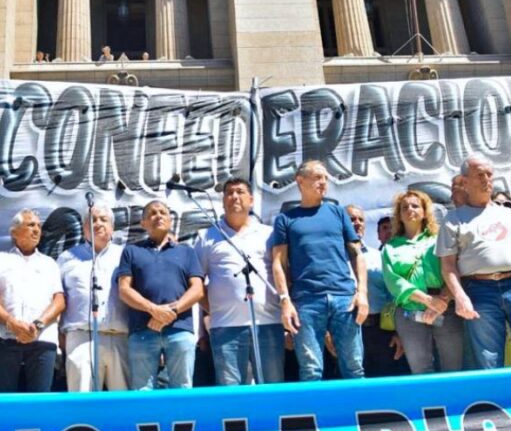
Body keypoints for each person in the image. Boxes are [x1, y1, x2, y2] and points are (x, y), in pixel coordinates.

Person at [436, 156, 511, 369]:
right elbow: (448, 265)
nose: (486, 179)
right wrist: (460, 296)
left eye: (489, 174)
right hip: (479, 290)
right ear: (464, 182)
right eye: (479, 175)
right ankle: (496, 394)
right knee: (488, 360)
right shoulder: (453, 219)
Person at [271, 160, 367, 381]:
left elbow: (357, 254)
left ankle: (359, 405)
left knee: (354, 367)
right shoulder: (285, 219)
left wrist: (362, 293)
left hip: (344, 298)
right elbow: (278, 263)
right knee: (311, 370)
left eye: (325, 178)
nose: (323, 182)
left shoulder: (338, 213)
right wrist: (285, 301)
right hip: (306, 301)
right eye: (317, 177)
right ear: (300, 181)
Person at [194, 178, 284, 385]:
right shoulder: (207, 236)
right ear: (223, 201)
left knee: (272, 388)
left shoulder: (268, 234)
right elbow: (196, 282)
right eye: (229, 193)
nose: (234, 196)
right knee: (230, 392)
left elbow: (281, 272)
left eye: (240, 192)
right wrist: (216, 308)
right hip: (225, 327)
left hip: (268, 323)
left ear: (251, 200)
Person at [118, 200, 204, 390]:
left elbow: (198, 290)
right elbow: (124, 290)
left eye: (163, 212)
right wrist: (154, 310)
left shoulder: (187, 252)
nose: (158, 216)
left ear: (171, 220)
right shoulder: (131, 251)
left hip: (180, 330)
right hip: (142, 330)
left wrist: (171, 311)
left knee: (182, 389)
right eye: (152, 213)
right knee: (142, 391)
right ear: (143, 223)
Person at [382, 190, 464, 374]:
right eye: (404, 207)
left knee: (453, 367)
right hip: (410, 312)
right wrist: (428, 301)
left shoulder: (440, 239)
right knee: (421, 369)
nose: (410, 210)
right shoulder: (390, 247)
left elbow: (454, 269)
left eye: (415, 206)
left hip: (445, 307)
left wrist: (442, 301)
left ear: (425, 211)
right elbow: (393, 281)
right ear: (399, 215)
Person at [0, 210, 65, 393]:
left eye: (39, 226)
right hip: (4, 338)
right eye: (31, 225)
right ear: (14, 232)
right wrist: (11, 323)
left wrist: (38, 324)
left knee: (40, 401)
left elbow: (59, 300)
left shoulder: (49, 264)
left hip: (42, 338)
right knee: (3, 399)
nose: (36, 230)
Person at [57, 205, 129, 392]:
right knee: (81, 400)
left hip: (120, 337)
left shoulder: (126, 255)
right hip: (80, 337)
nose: (97, 223)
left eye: (103, 220)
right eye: (92, 220)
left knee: (123, 401)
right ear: (84, 228)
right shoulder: (67, 258)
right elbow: (57, 297)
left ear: (112, 227)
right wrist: (59, 335)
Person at [345, 205, 407, 377]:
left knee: (386, 381)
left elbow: (394, 295)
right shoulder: (333, 258)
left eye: (361, 219)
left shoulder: (379, 256)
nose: (357, 223)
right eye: (351, 219)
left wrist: (398, 332)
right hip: (346, 328)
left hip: (381, 331)